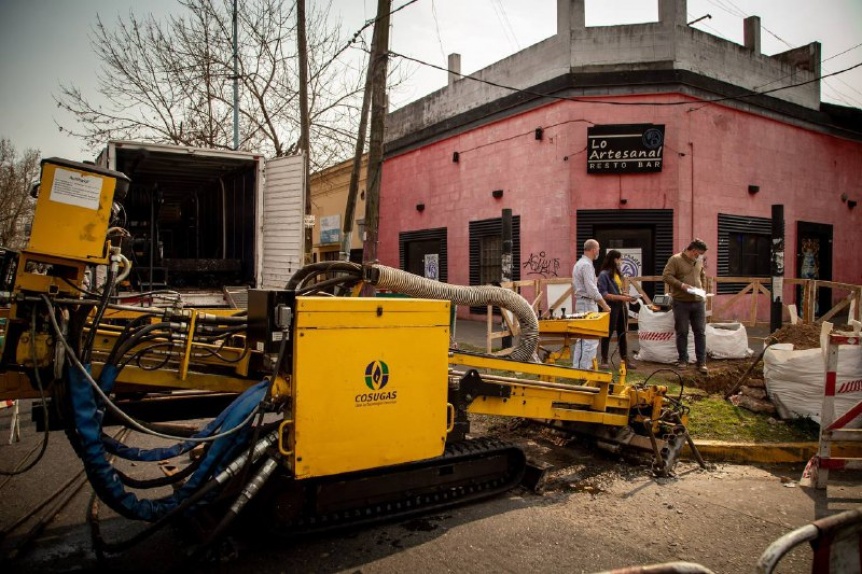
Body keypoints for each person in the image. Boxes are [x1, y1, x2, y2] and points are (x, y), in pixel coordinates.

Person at [662, 238, 709, 374]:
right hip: (681, 302)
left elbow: (702, 275)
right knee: (682, 332)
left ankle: (702, 362)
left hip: (698, 301)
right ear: (693, 250)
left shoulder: (698, 261)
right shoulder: (675, 260)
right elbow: (666, 276)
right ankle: (683, 359)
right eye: (699, 253)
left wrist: (703, 289)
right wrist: (681, 285)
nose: (700, 256)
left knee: (700, 332)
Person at [572, 239, 611, 369]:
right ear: (593, 249)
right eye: (598, 249)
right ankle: (586, 370)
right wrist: (604, 305)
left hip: (581, 302)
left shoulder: (579, 263)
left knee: (581, 338)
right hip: (588, 303)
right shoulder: (587, 265)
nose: (599, 251)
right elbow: (592, 290)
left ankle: (577, 368)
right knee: (591, 338)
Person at [597, 249, 638, 370]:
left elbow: (618, 289)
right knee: (607, 332)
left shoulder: (618, 273)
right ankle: (604, 359)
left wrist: (625, 294)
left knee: (622, 332)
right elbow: (603, 294)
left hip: (621, 306)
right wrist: (622, 297)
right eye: (620, 259)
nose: (621, 261)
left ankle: (624, 359)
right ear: (614, 259)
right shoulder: (604, 274)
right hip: (610, 306)